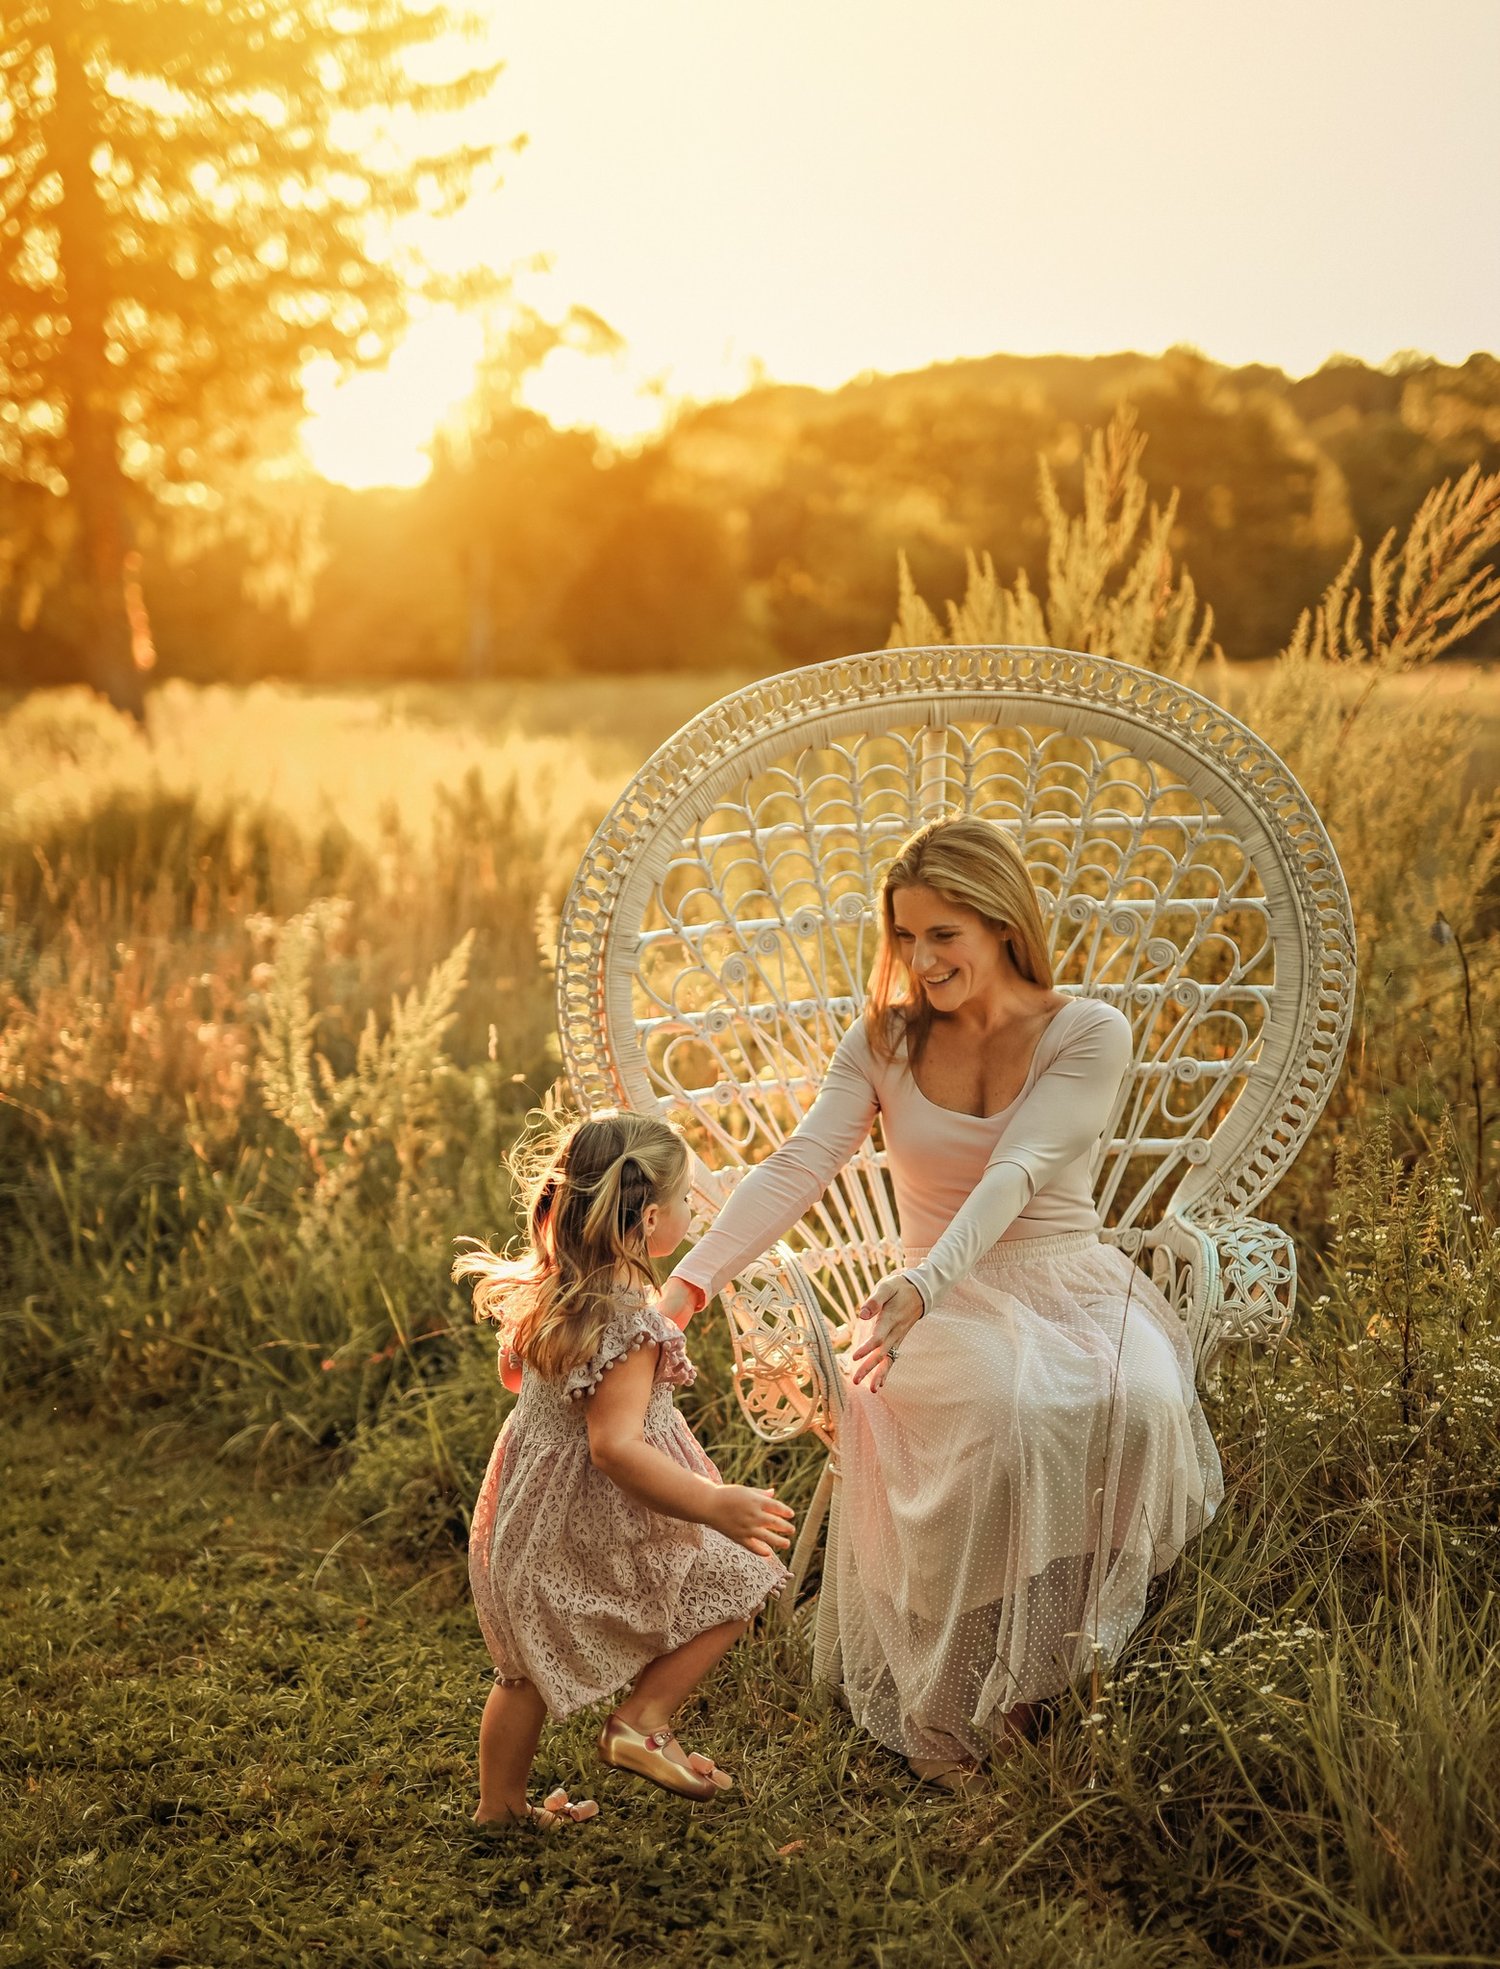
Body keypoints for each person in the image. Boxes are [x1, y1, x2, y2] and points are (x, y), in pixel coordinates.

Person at [655, 815, 1223, 1788]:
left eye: (942, 935)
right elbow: (799, 1163)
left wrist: (925, 1283)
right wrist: (688, 1281)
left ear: (1002, 921)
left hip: (1067, 1285)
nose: (920, 960)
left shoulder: (1086, 1031)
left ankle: (1050, 1674)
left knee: (1138, 1405)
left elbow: (1020, 1170)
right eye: (905, 937)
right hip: (936, 1299)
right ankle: (950, 1702)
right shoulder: (884, 1039)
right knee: (1001, 1415)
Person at [456, 1110, 793, 1828]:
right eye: (686, 1202)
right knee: (741, 1575)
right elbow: (614, 1446)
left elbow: (522, 1384)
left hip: (528, 1519)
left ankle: (501, 1808)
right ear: (646, 1219)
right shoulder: (630, 1325)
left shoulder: (549, 1293)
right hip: (595, 1518)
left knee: (522, 1673)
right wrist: (711, 1501)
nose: (693, 1213)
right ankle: (642, 1718)